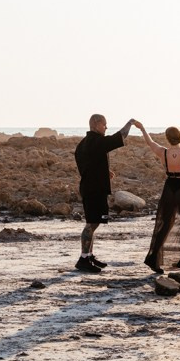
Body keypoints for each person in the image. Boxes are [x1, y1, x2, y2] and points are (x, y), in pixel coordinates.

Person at [133, 121, 180, 275]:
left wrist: (142, 128)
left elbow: (150, 143)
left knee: (164, 224)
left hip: (170, 187)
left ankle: (153, 259)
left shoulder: (163, 152)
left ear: (167, 138)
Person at [74, 113, 134, 272]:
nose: (106, 127)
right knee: (91, 223)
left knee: (94, 223)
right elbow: (119, 136)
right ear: (95, 124)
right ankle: (83, 259)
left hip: (90, 187)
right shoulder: (96, 141)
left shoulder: (84, 143)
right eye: (104, 124)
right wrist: (130, 122)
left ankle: (89, 256)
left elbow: (87, 163)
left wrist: (103, 171)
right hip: (93, 190)